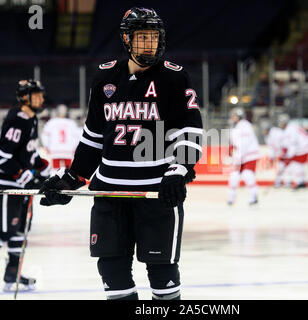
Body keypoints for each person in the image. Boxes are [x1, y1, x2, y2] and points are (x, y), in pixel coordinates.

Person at [39, 7, 203, 300]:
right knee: (112, 272)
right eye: (142, 37)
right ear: (127, 40)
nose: (149, 44)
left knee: (162, 273)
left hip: (155, 193)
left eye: (154, 37)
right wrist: (72, 178)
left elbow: (190, 130)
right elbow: (93, 136)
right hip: (110, 192)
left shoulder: (174, 78)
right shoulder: (104, 77)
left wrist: (180, 169)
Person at [0, 79, 51, 291]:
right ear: (24, 97)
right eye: (35, 95)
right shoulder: (17, 119)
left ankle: (12, 276)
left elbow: (28, 152)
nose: (40, 98)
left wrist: (45, 169)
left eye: (40, 94)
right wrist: (25, 177)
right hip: (7, 186)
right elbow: (3, 156)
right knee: (3, 233)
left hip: (21, 188)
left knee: (20, 232)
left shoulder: (32, 119)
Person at [227, 107, 259, 205]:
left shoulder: (245, 126)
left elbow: (243, 144)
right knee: (233, 177)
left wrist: (237, 157)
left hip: (248, 156)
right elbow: (234, 143)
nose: (232, 117)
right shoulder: (236, 127)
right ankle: (231, 199)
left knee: (248, 175)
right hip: (240, 156)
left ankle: (254, 197)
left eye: (234, 116)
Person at [41, 104, 81, 173]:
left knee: (55, 170)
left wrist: (46, 146)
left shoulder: (51, 122)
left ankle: (54, 183)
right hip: (68, 150)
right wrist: (75, 148)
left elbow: (44, 135)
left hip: (55, 150)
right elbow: (78, 136)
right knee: (68, 171)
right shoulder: (71, 123)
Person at [278, 113, 308, 189]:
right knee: (299, 164)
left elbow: (292, 145)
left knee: (296, 164)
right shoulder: (293, 126)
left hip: (303, 147)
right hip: (307, 145)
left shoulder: (289, 130)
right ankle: (302, 182)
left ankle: (300, 183)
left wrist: (288, 156)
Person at [262, 122, 292, 187]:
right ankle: (278, 182)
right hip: (281, 152)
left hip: (286, 150)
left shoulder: (276, 132)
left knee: (287, 168)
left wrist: (285, 152)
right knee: (280, 167)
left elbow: (284, 141)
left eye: (264, 130)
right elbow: (272, 148)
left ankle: (288, 182)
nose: (263, 132)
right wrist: (271, 158)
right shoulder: (267, 137)